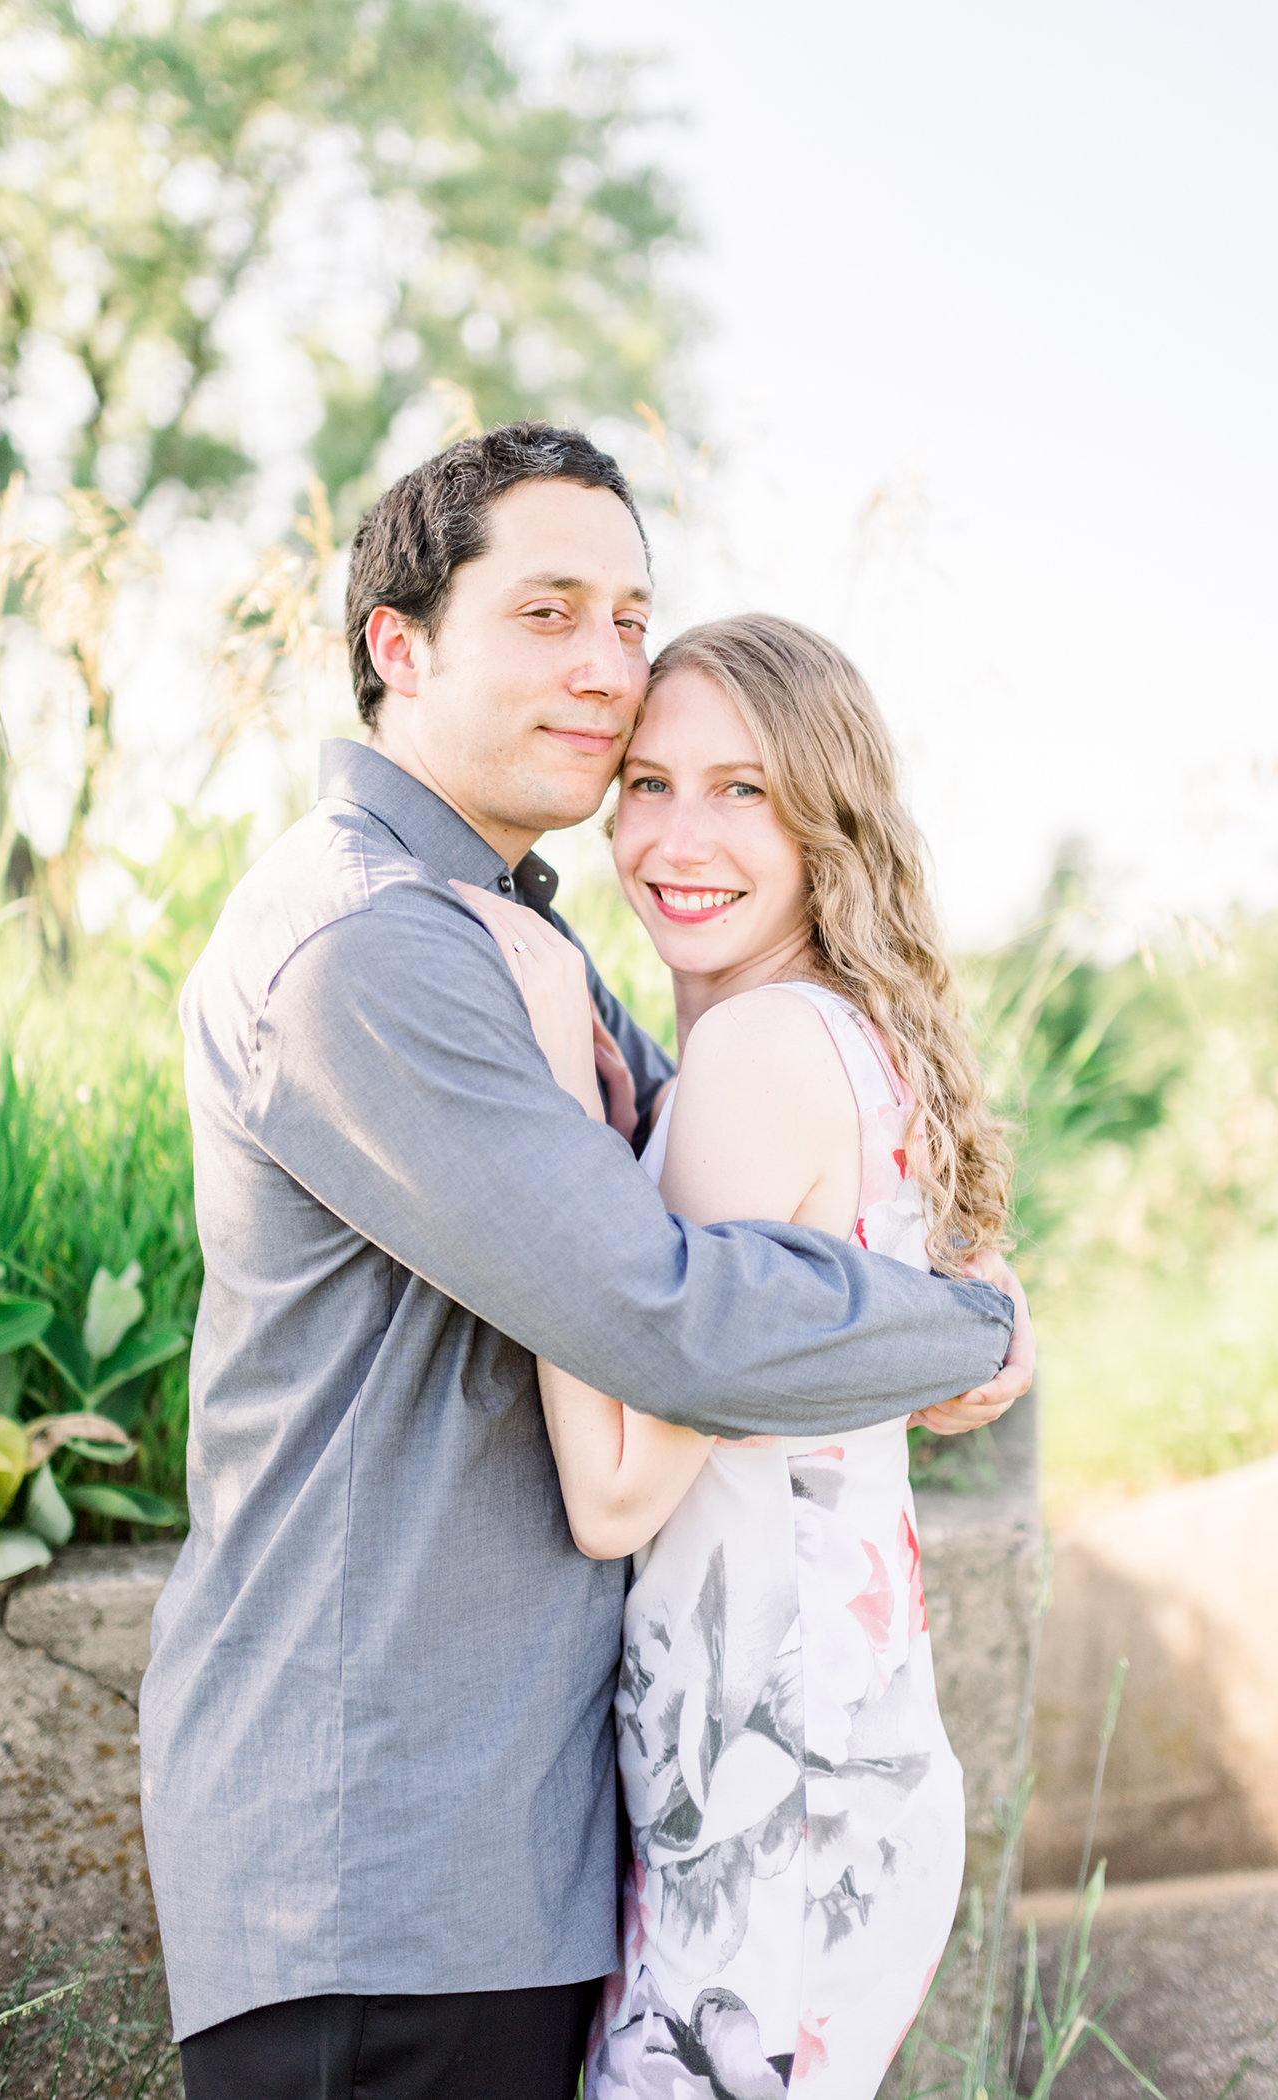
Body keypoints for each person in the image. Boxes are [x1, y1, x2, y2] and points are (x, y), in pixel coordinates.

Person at [140, 423, 1032, 2100]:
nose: (607, 666)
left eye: (630, 617)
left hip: (506, 1856)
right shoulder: (373, 945)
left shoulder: (507, 932)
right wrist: (959, 1324)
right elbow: (663, 1311)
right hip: (379, 1864)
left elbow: (732, 1184)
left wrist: (954, 1293)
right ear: (397, 647)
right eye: (548, 612)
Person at [459, 613, 1013, 2097]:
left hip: (772, 1804)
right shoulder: (841, 1032)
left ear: (826, 814)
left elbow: (621, 1494)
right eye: (645, 783)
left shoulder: (760, 1049)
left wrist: (547, 1120)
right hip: (816, 1766)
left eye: (742, 790)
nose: (675, 836)